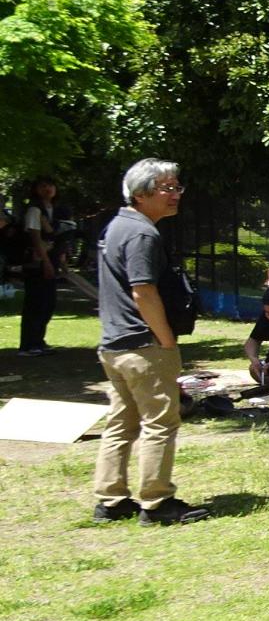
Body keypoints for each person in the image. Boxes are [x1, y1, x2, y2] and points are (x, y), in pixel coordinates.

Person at [90, 160, 207, 524]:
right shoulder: (142, 234)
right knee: (160, 423)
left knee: (121, 423)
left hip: (114, 345)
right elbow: (143, 291)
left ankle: (110, 500)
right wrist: (166, 341)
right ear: (140, 194)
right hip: (142, 346)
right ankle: (157, 504)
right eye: (166, 188)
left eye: (177, 187)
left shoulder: (117, 227)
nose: (175, 195)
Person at [16, 177, 61, 355]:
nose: (47, 189)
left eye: (50, 185)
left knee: (48, 302)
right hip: (36, 262)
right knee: (35, 302)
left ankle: (38, 341)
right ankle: (29, 344)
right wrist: (46, 262)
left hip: (50, 258)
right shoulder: (34, 209)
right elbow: (35, 237)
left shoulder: (53, 210)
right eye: (42, 185)